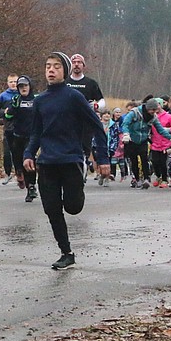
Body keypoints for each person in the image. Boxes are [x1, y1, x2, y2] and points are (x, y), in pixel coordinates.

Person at [23, 52, 110, 271]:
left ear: (65, 71)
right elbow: (36, 133)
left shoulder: (74, 97)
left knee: (73, 207)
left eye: (56, 67)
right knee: (52, 209)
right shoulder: (40, 100)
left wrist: (102, 158)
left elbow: (97, 126)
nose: (50, 70)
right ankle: (66, 253)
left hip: (70, 159)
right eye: (47, 66)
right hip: (47, 162)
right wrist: (28, 154)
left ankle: (77, 192)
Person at [120, 98, 171, 189]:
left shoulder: (153, 117)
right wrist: (126, 133)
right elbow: (125, 123)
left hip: (143, 140)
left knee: (145, 159)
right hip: (131, 139)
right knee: (134, 161)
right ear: (148, 108)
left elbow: (160, 129)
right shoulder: (135, 113)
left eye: (155, 110)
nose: (154, 112)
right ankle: (137, 179)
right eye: (153, 110)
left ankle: (146, 179)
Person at [4, 76, 38, 201]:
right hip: (17, 136)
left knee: (29, 160)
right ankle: (19, 174)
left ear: (30, 86)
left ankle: (31, 187)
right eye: (21, 86)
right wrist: (11, 110)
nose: (23, 88)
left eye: (25, 86)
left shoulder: (37, 99)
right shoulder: (16, 99)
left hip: (32, 136)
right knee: (18, 162)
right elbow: (7, 116)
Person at [0, 74, 19, 184]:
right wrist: (4, 112)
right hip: (7, 127)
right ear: (7, 83)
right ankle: (8, 173)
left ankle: (20, 174)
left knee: (19, 152)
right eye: (11, 82)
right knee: (7, 153)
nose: (13, 84)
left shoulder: (21, 94)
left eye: (15, 81)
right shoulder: (3, 96)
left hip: (20, 127)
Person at [148, 99, 171, 187]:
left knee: (163, 162)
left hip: (165, 143)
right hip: (154, 143)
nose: (156, 107)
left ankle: (165, 179)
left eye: (158, 105)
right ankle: (158, 176)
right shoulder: (151, 116)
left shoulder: (168, 116)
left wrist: (168, 129)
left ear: (161, 105)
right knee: (154, 162)